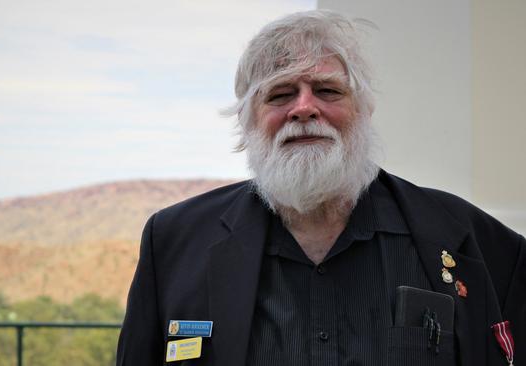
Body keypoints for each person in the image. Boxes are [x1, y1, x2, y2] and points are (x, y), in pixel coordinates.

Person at [116, 10, 524, 366]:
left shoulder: (473, 242)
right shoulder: (172, 243)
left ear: (363, 110)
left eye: (328, 90)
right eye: (280, 94)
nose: (304, 107)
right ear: (246, 120)